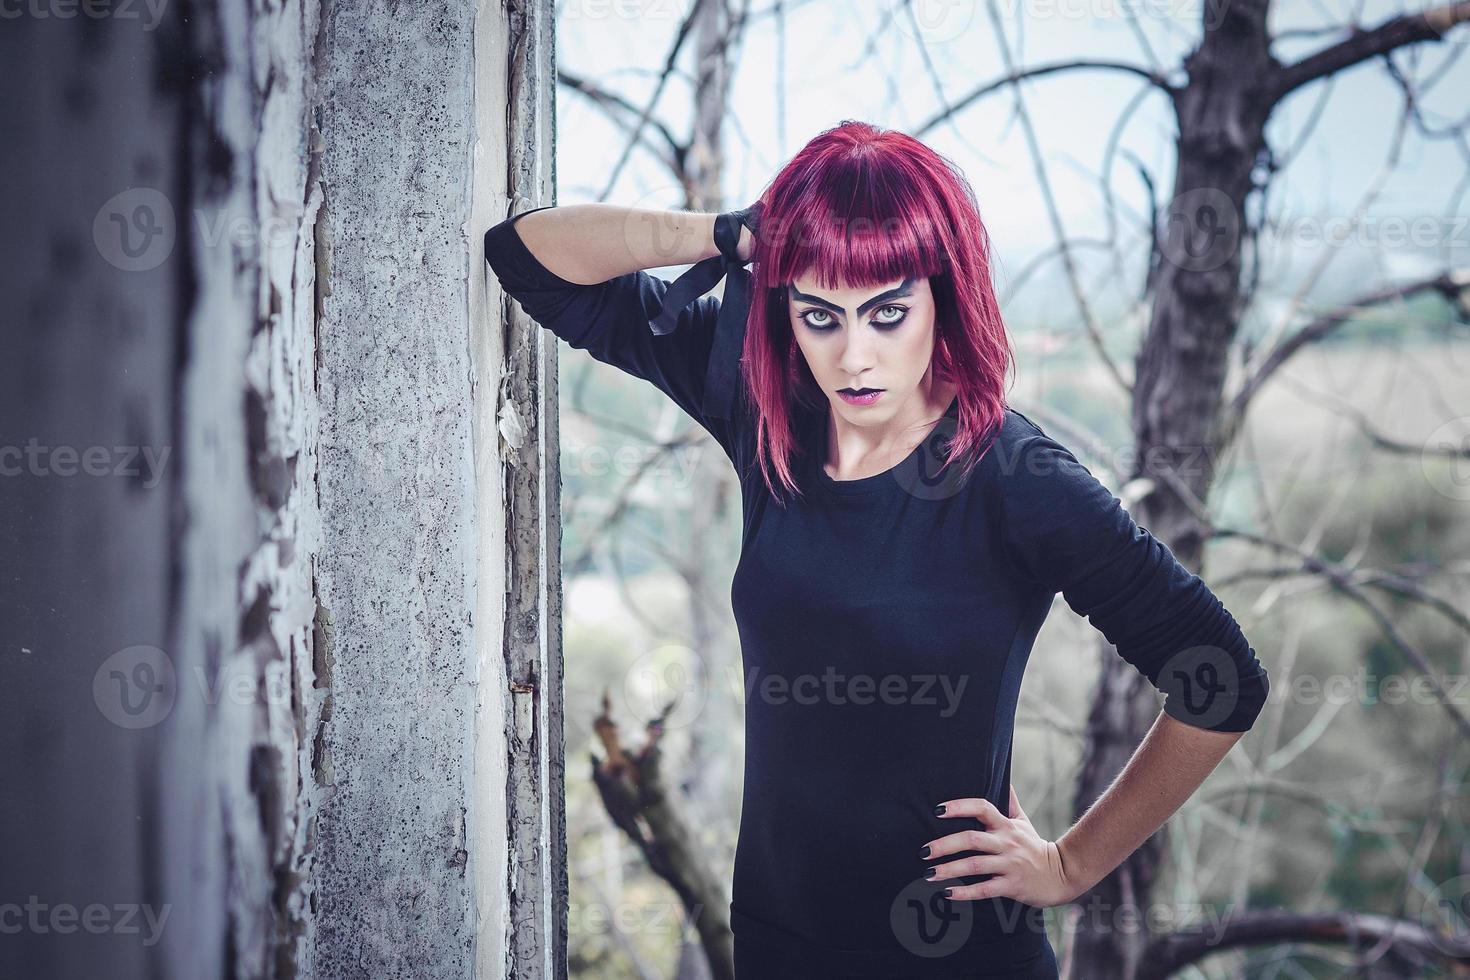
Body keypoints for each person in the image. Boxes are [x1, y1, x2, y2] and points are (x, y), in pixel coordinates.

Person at [484, 120, 1270, 979]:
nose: (852, 356)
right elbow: (527, 260)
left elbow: (1219, 678)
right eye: (819, 315)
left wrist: (1069, 864)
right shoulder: (766, 408)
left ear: (944, 296)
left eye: (887, 312)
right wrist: (728, 235)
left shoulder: (1016, 477)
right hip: (778, 945)